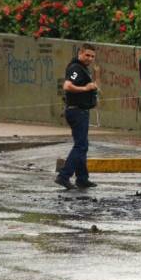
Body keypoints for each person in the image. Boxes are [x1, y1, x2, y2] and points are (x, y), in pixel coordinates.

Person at [54, 43, 99, 190]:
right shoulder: (75, 68)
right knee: (80, 146)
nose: (90, 58)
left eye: (92, 56)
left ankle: (82, 179)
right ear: (80, 53)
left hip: (80, 111)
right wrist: (86, 88)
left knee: (82, 146)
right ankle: (64, 176)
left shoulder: (82, 69)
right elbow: (67, 86)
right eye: (87, 55)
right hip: (77, 112)